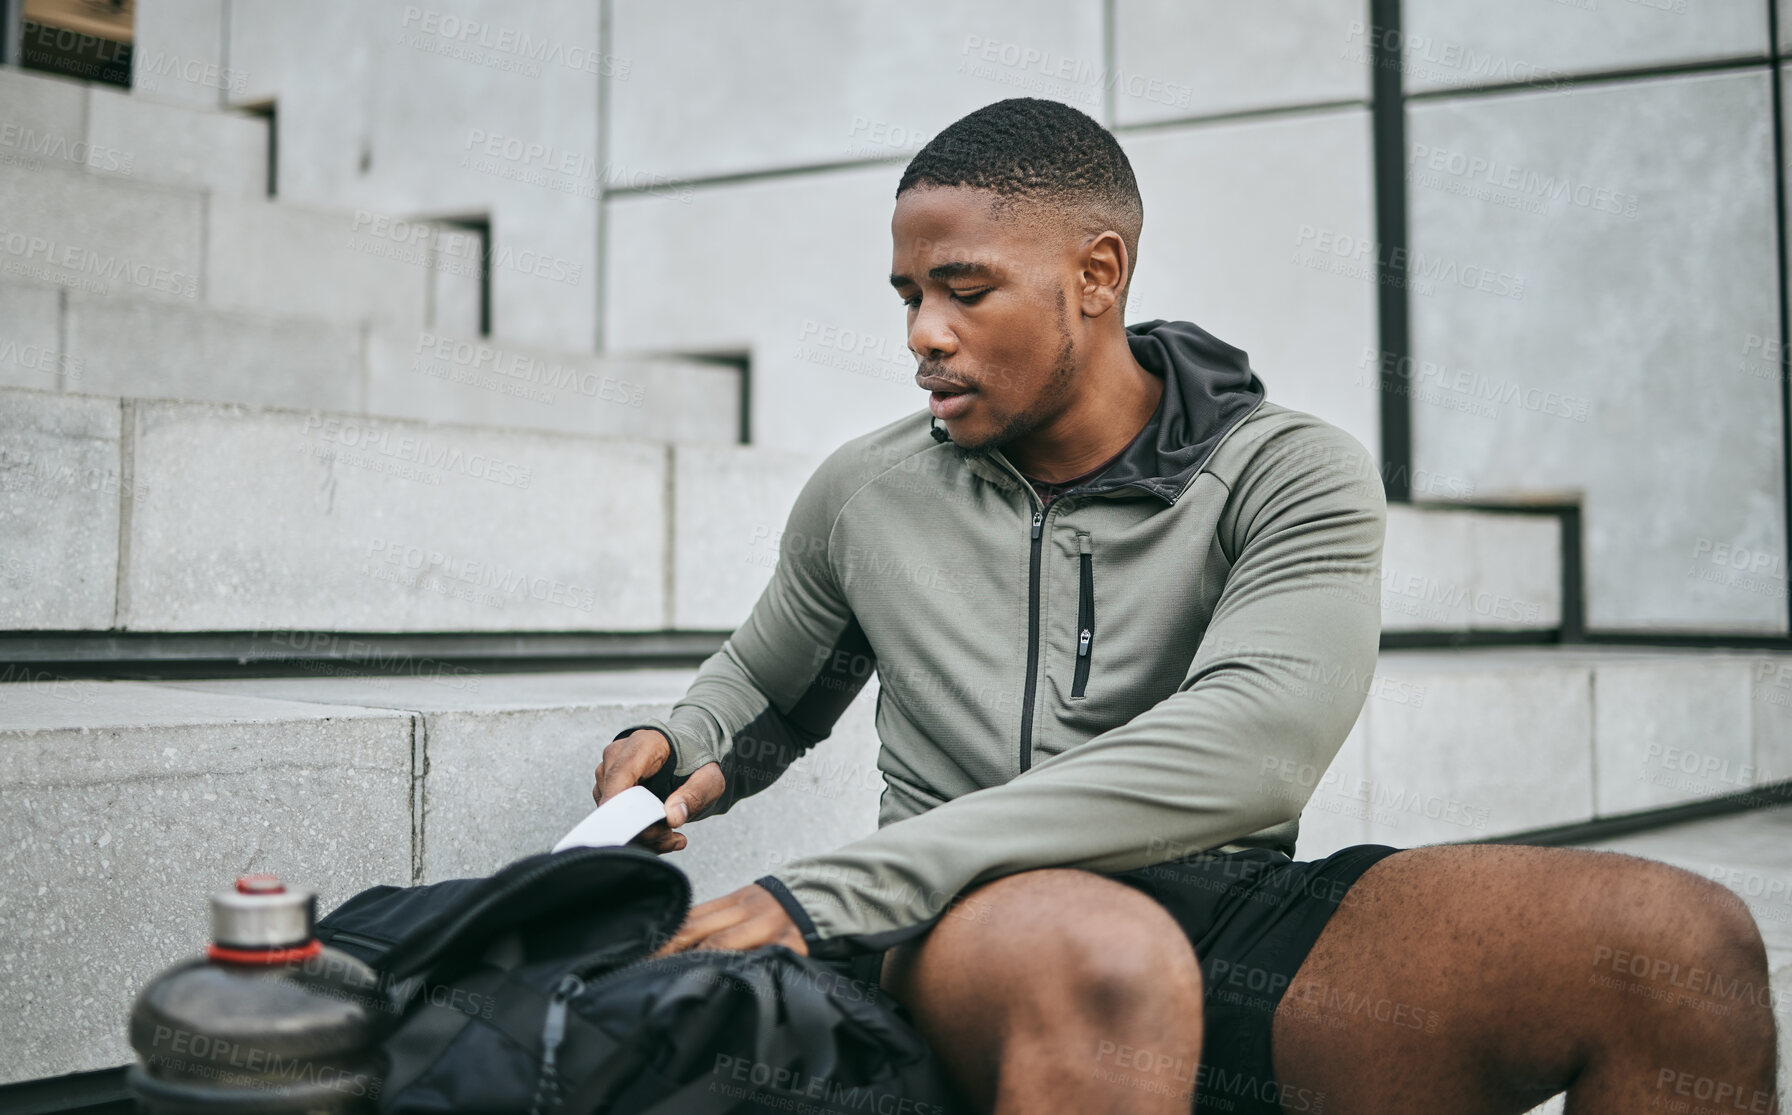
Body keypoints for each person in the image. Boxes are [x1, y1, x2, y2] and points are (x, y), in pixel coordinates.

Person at [592, 97, 1779, 1114]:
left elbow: (1249, 752)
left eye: (964, 291)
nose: (923, 336)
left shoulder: (1287, 471)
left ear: (1097, 273)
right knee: (1107, 960)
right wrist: (679, 747)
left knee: (1679, 947)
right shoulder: (870, 490)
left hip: (1226, 908)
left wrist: (842, 882)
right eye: (908, 295)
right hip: (971, 920)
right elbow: (766, 687)